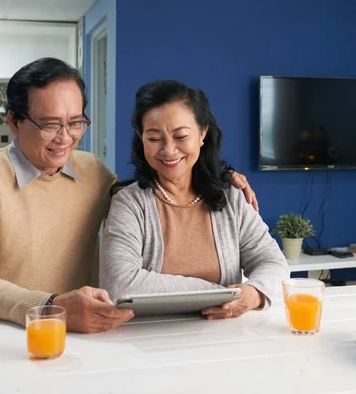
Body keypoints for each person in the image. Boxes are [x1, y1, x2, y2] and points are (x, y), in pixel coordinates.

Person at [0, 58, 258, 333]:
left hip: (84, 331)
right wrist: (49, 306)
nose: (65, 138)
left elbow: (155, 193)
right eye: (50, 125)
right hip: (8, 331)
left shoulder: (91, 170)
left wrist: (217, 177)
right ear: (15, 121)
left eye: (75, 123)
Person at [100, 80, 289, 319]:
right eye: (154, 139)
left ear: (202, 134)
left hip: (225, 339)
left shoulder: (230, 197)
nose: (168, 150)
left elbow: (273, 262)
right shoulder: (129, 203)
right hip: (148, 341)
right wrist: (219, 295)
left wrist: (254, 293)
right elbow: (119, 285)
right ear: (141, 138)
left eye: (180, 136)